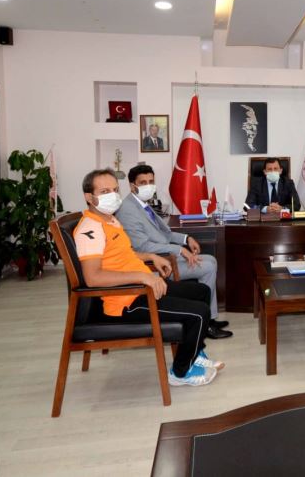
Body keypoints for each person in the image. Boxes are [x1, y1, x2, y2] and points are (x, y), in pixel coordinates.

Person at [73, 168, 224, 386]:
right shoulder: (90, 229)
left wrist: (151, 257)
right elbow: (93, 278)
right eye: (105, 191)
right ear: (89, 197)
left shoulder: (110, 221)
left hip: (141, 287)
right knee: (199, 313)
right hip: (125, 300)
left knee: (201, 291)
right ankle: (181, 373)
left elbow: (125, 254)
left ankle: (194, 354)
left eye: (115, 190)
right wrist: (144, 277)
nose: (113, 195)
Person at [115, 164, 231, 339]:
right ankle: (206, 323)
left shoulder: (143, 205)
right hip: (157, 266)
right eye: (143, 182)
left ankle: (210, 318)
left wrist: (186, 239)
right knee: (207, 266)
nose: (148, 186)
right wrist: (179, 250)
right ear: (132, 186)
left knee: (211, 260)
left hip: (166, 257)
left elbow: (165, 233)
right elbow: (143, 247)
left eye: (151, 181)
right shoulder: (128, 210)